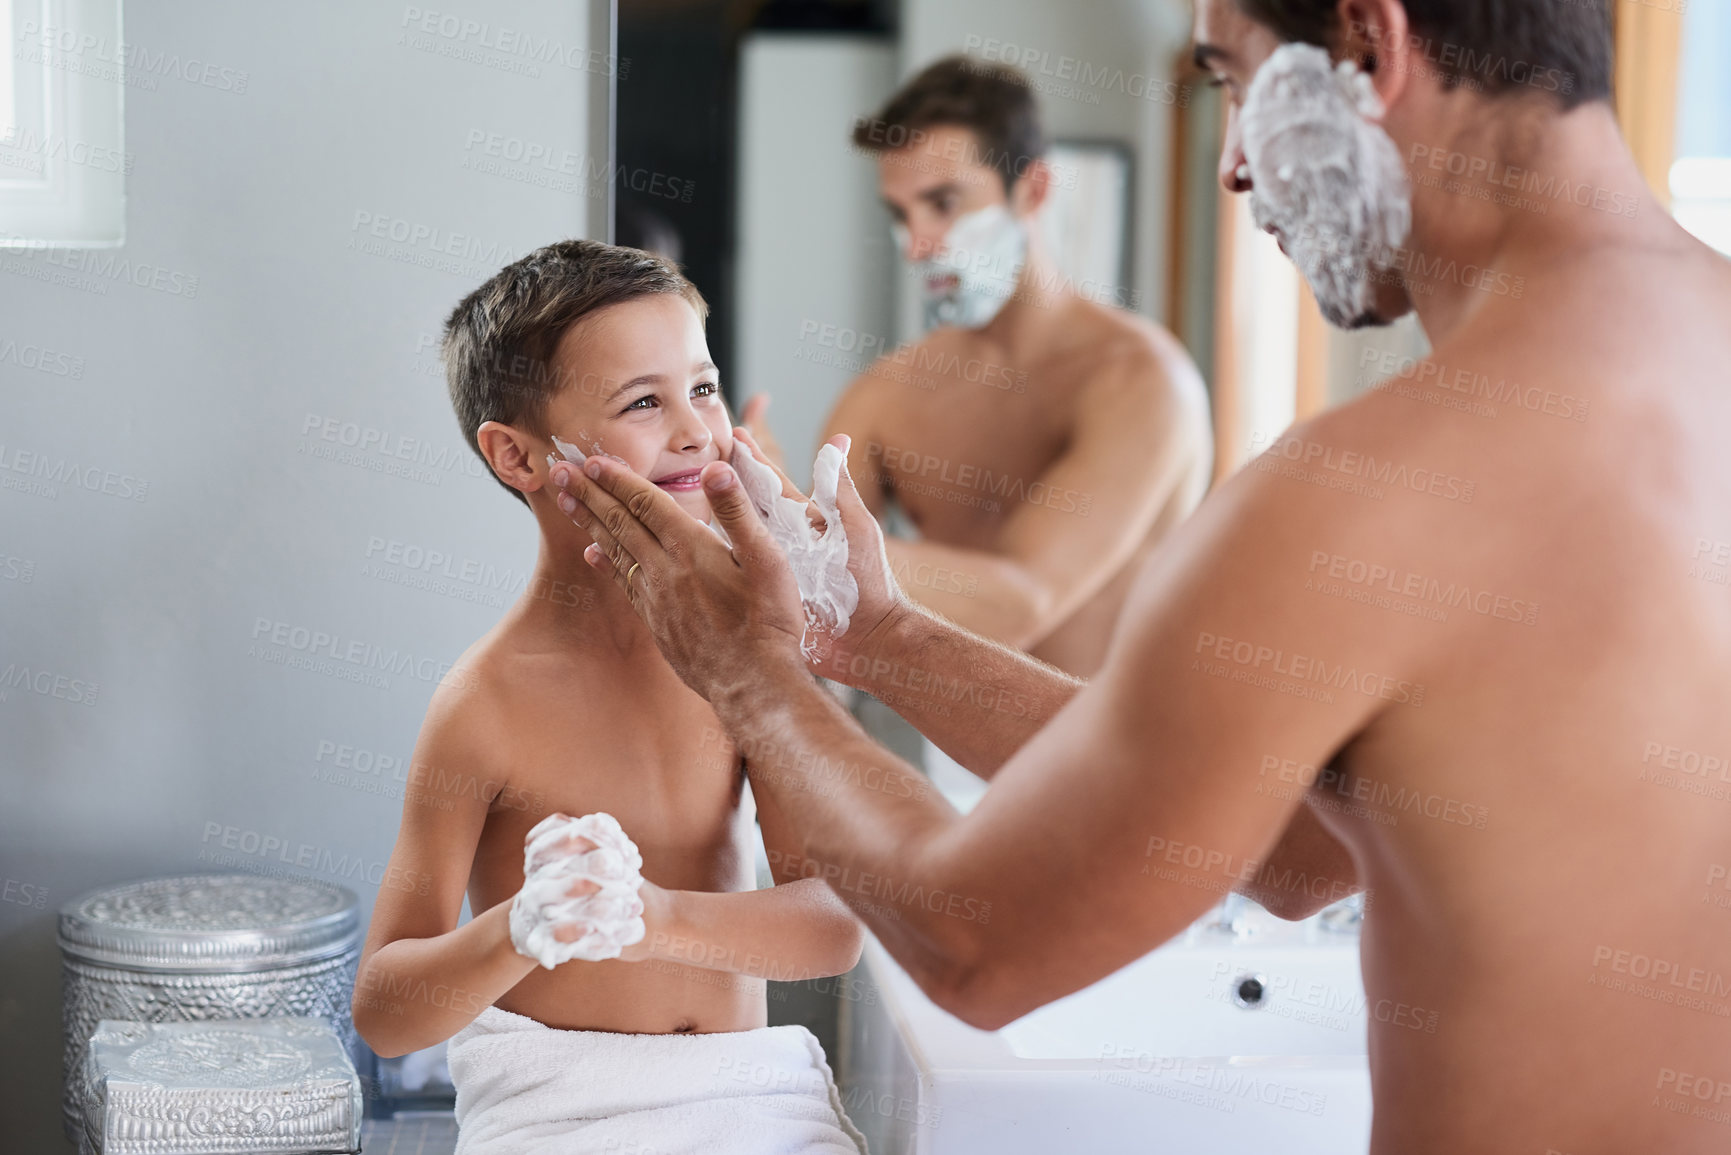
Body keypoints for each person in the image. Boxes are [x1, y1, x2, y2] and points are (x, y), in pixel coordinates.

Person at [547, 1, 1731, 1151]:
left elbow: (983, 947)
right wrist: (872, 638)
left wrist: (750, 677)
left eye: (1230, 84)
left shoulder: (1366, 488)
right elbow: (1299, 852)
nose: (1229, 168)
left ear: (1372, 43)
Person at [352, 239, 866, 1154]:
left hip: (742, 1104)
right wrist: (521, 927)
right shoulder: (485, 704)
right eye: (643, 401)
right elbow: (388, 1012)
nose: (695, 433)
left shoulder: (745, 660)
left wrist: (648, 920)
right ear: (517, 456)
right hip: (558, 1114)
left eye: (703, 388)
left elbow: (831, 930)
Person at [825, 56, 1212, 679]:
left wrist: (806, 540)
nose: (918, 243)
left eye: (943, 202)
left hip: (1104, 763)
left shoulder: (1142, 382)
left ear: (1033, 190)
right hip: (941, 761)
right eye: (899, 215)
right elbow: (823, 617)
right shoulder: (885, 395)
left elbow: (1020, 603)